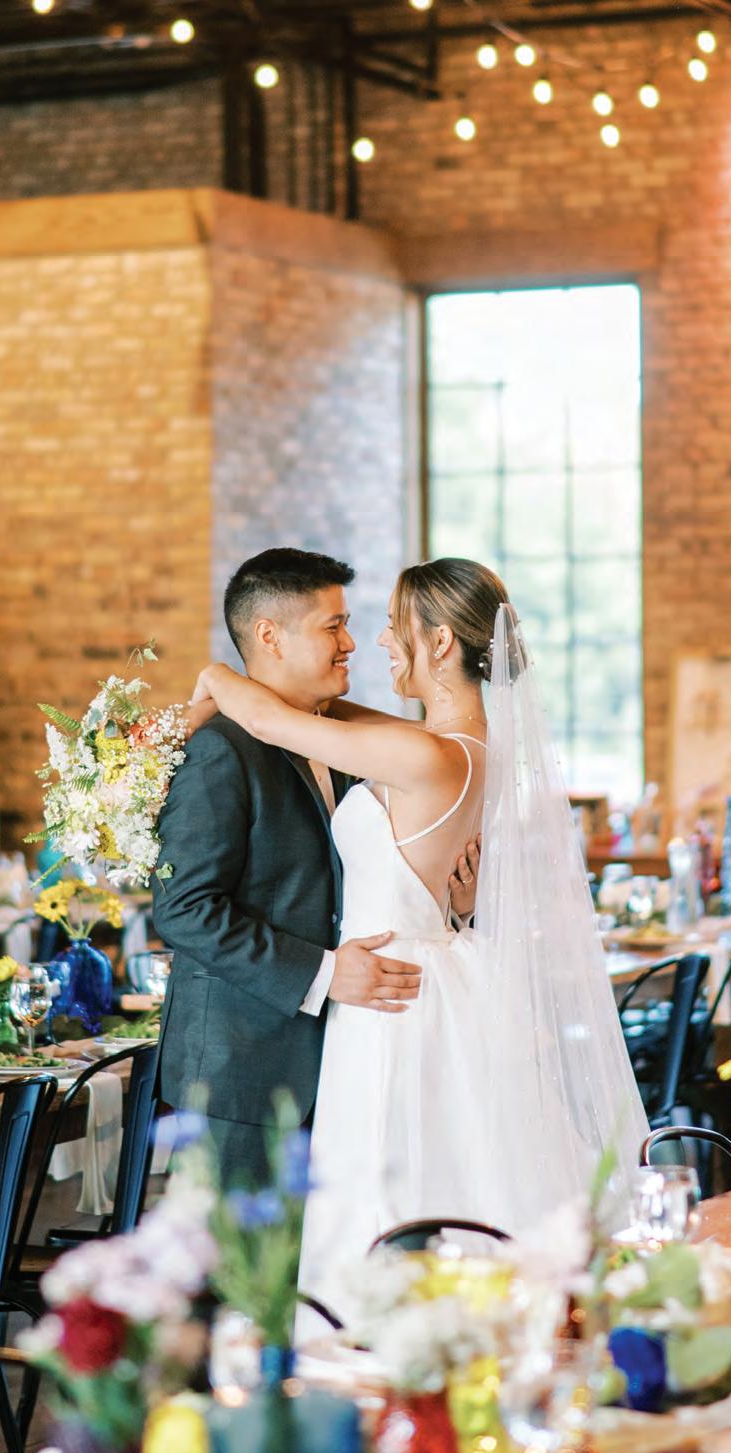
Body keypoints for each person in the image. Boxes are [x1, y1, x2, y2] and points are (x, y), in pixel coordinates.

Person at [192, 557, 648, 1323]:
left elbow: (270, 722)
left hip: (390, 998)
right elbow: (329, 717)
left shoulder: (424, 755)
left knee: (388, 1181)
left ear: (440, 643)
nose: (375, 641)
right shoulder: (461, 745)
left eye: (394, 627)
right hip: (430, 973)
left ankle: (377, 1343)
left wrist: (214, 672)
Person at [151, 548, 423, 1185]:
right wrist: (325, 973)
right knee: (246, 1251)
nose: (350, 643)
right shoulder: (221, 750)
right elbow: (184, 909)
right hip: (242, 1071)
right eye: (334, 626)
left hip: (342, 1056)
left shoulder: (334, 740)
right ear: (270, 635)